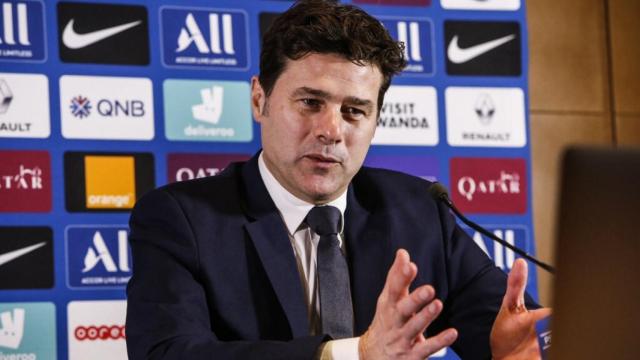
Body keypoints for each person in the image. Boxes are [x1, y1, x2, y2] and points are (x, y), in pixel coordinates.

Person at [125, 1, 550, 359]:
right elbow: (168, 352)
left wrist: (515, 347)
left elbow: (511, 333)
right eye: (310, 102)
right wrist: (354, 354)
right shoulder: (182, 219)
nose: (331, 131)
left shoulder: (419, 211)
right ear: (260, 100)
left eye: (354, 111)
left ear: (376, 121)